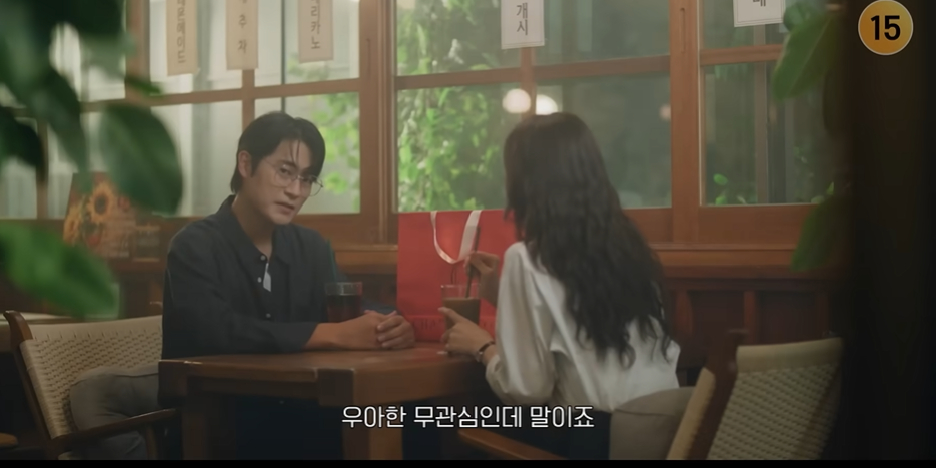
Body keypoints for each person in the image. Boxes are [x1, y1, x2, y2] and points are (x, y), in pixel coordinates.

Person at [71, 112, 423, 460]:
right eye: (284, 171)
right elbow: (217, 331)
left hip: (304, 416)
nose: (295, 190)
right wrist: (331, 334)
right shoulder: (194, 246)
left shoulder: (312, 248)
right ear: (245, 163)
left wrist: (392, 324)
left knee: (420, 420)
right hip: (219, 426)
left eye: (306, 179)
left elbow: (349, 301)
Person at [440, 112, 681, 460]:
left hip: (588, 437)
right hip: (657, 436)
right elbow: (576, 328)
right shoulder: (628, 250)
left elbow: (527, 390)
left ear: (525, 184)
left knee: (428, 421)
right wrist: (500, 294)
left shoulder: (527, 257)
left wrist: (482, 347)